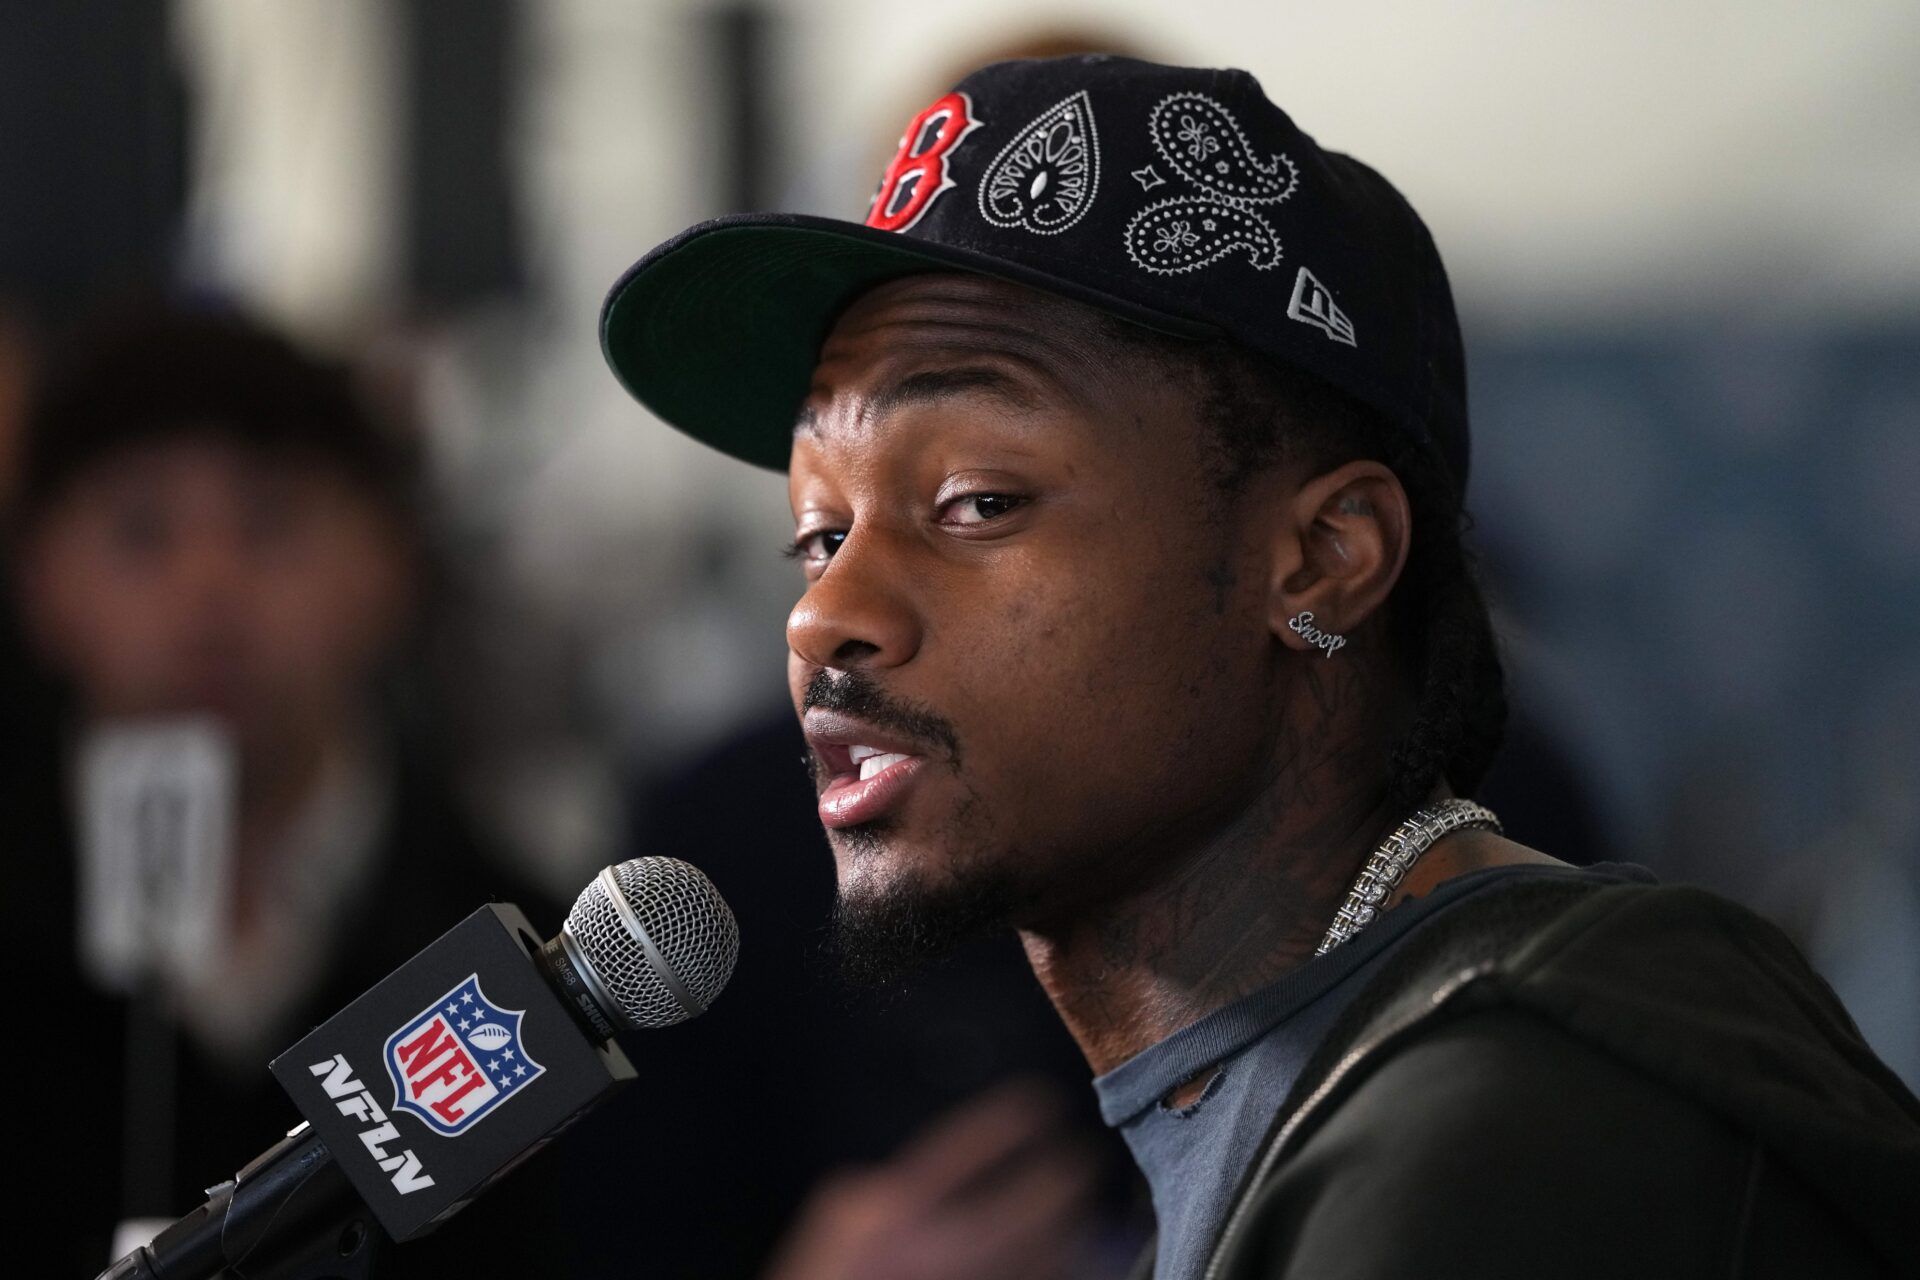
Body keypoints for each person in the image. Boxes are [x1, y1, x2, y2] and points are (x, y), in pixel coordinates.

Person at [595, 55, 1920, 1277]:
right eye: (816, 535)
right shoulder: (1345, 1074)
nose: (826, 615)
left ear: (1324, 558)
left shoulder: (1505, 1138)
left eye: (978, 502)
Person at [2, 305, 558, 1275]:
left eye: (271, 522)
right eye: (141, 531)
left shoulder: (514, 954)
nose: (209, 586)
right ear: (41, 581)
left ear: (389, 567)